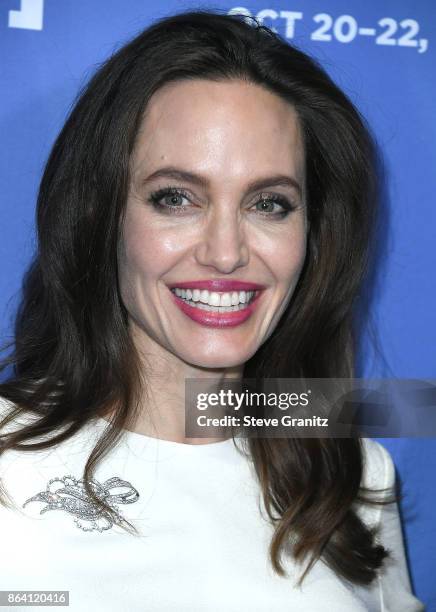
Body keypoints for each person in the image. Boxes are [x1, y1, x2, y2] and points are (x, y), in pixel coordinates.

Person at [0, 8, 425, 612]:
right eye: (176, 198)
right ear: (102, 217)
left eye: (270, 204)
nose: (226, 253)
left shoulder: (352, 472)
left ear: (314, 234)